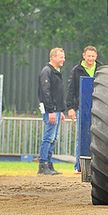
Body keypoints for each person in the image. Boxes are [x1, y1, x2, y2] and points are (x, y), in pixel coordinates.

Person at [66, 45, 100, 174]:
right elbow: (71, 90)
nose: (90, 58)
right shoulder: (76, 70)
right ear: (84, 56)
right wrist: (70, 108)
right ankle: (79, 166)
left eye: (93, 56)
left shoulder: (101, 69)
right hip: (82, 108)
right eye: (88, 56)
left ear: (96, 57)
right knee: (81, 137)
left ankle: (96, 167)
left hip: (98, 108)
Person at [38, 47, 66, 175]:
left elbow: (57, 93)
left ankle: (49, 165)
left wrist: (60, 111)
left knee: (53, 138)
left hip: (56, 110)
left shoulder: (55, 72)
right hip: (51, 110)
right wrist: (51, 111)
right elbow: (45, 92)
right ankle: (43, 165)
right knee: (48, 137)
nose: (63, 59)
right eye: (61, 57)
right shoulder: (47, 71)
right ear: (53, 57)